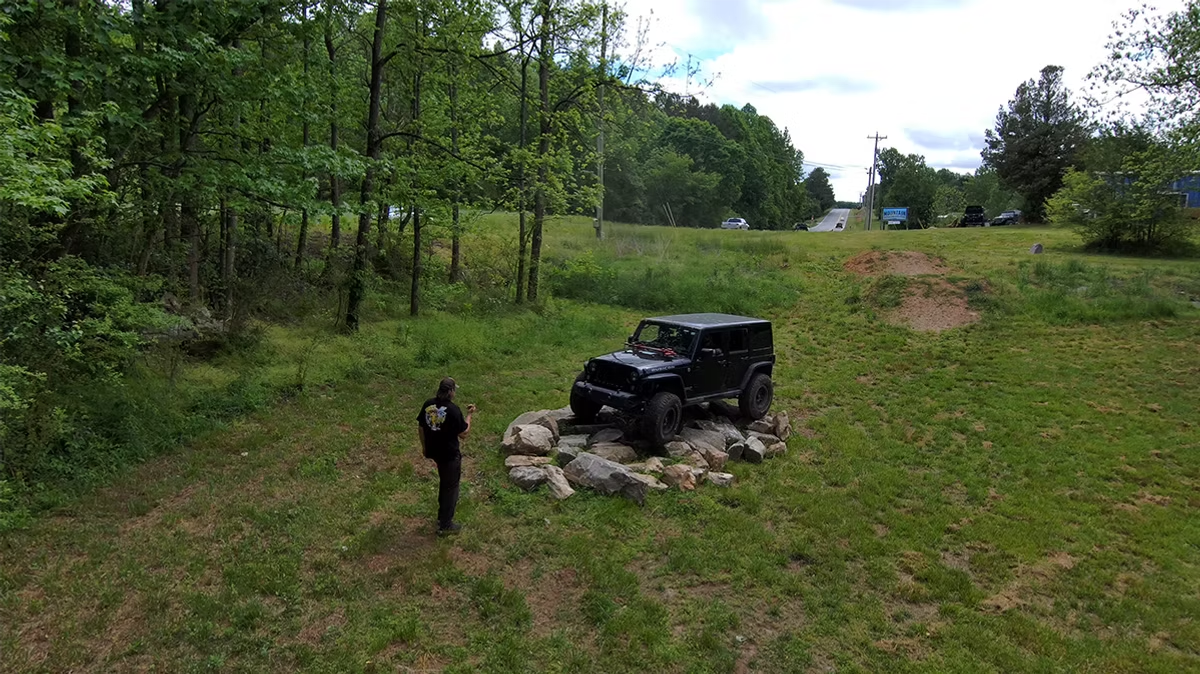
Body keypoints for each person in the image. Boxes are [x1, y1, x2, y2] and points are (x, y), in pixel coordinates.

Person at [416, 377, 475, 535]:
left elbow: (421, 427)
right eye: (454, 389)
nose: (454, 392)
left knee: (445, 483)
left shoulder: (428, 404)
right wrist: (469, 415)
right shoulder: (453, 410)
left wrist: (424, 447)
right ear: (450, 392)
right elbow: (464, 433)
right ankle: (446, 525)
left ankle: (441, 517)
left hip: (434, 452)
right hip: (449, 455)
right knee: (451, 488)